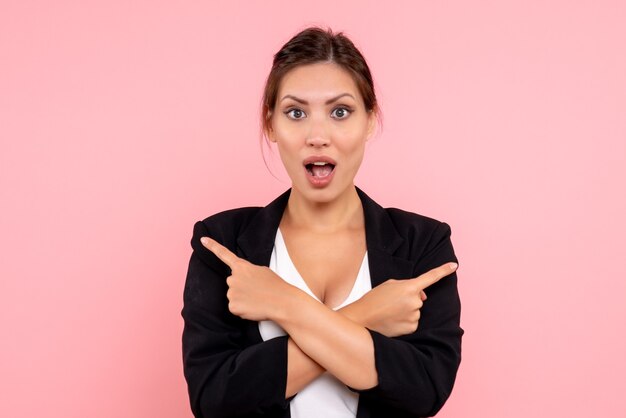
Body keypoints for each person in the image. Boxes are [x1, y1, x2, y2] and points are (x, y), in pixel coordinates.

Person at [181, 26, 463, 418]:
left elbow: (425, 391)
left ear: (369, 121)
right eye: (296, 113)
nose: (317, 135)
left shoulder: (423, 243)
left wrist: (284, 303)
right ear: (270, 125)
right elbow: (214, 399)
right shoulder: (223, 244)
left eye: (340, 112)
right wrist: (367, 315)